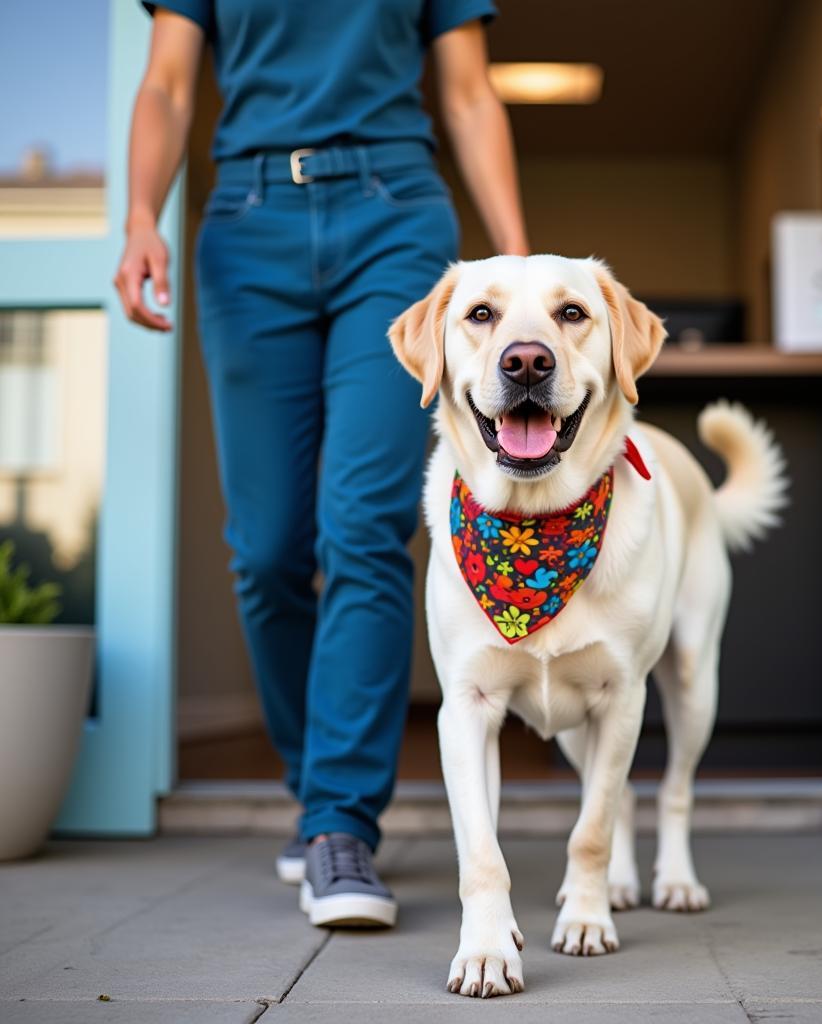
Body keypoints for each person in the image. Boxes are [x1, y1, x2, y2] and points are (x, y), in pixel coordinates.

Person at [114, 1, 528, 928]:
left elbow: (467, 94)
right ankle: (318, 795)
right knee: (265, 549)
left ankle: (341, 823)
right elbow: (169, 84)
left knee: (363, 528)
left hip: (394, 217)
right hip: (250, 220)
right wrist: (141, 213)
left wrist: (513, 257)